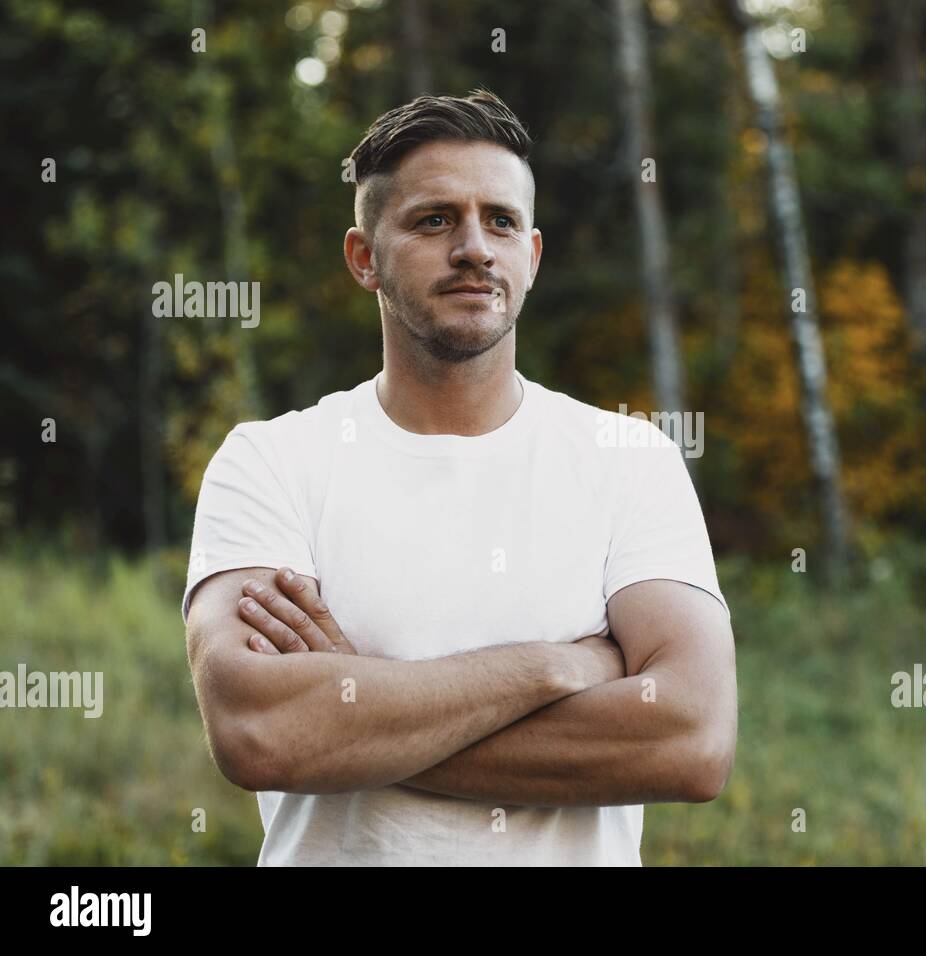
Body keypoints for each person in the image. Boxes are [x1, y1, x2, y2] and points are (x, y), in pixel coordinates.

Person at [181, 89, 737, 866]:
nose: (475, 247)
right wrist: (559, 666)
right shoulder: (271, 461)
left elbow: (692, 740)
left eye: (501, 221)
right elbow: (259, 734)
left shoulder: (629, 458)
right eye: (434, 219)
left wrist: (359, 717)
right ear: (363, 258)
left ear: (532, 257)